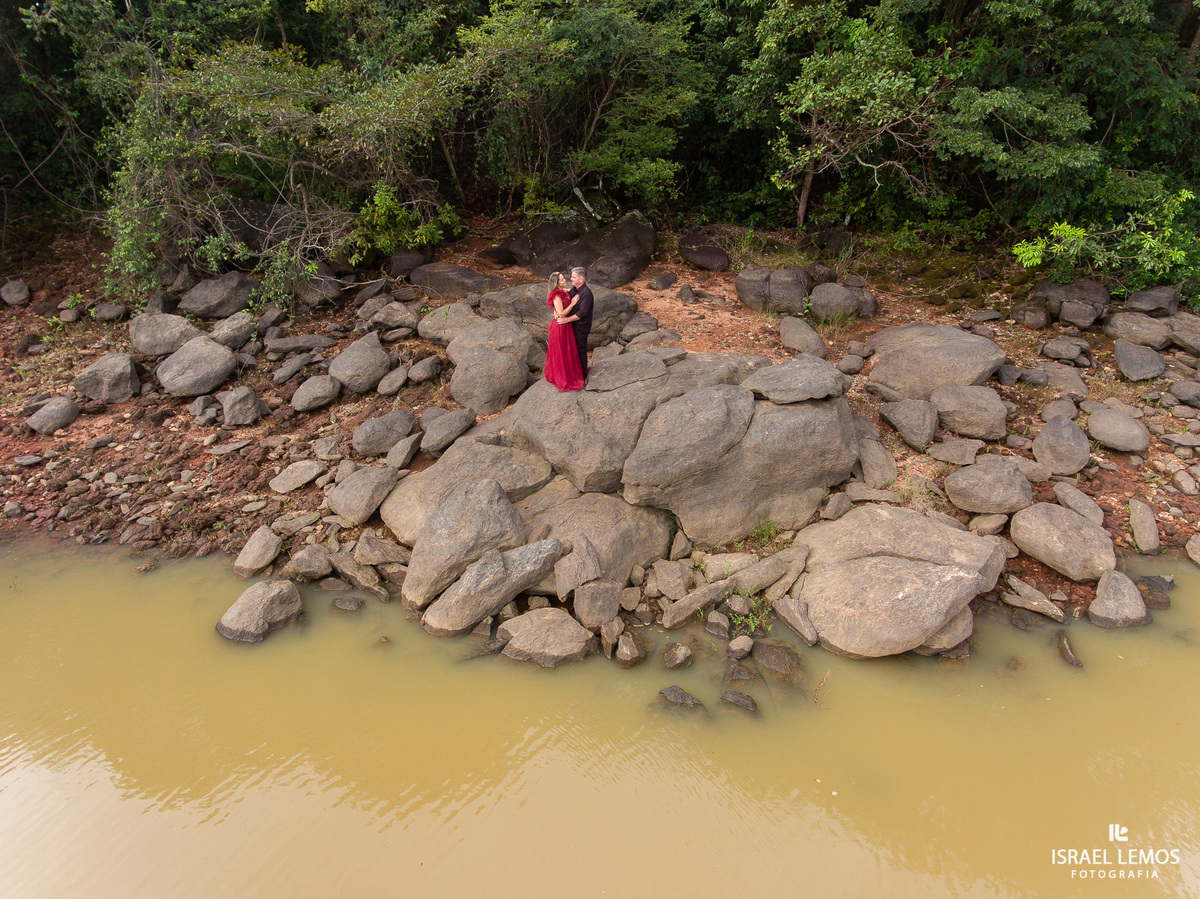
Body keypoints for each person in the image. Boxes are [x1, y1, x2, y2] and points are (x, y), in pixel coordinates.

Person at [543, 271, 584, 391]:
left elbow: (567, 291)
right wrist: (572, 303)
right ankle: (561, 376)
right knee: (561, 351)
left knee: (567, 350)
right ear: (557, 284)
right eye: (562, 280)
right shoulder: (556, 295)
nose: (565, 280)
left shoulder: (562, 292)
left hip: (566, 326)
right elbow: (561, 314)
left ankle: (568, 373)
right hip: (561, 326)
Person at [558, 266, 594, 374]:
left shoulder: (586, 294)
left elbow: (581, 314)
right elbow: (566, 296)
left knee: (580, 350)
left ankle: (583, 376)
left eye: (573, 277)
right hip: (573, 325)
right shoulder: (575, 289)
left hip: (581, 326)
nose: (571, 279)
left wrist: (566, 320)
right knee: (572, 350)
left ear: (581, 279)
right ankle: (574, 372)